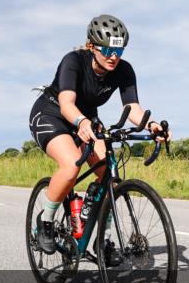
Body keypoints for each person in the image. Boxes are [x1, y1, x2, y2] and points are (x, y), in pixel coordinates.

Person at [28, 14, 170, 250]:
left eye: (119, 51)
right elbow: (66, 103)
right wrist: (82, 122)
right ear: (92, 46)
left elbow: (132, 108)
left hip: (87, 119)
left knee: (110, 175)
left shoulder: (124, 70)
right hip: (52, 113)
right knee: (72, 164)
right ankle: (45, 222)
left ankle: (102, 240)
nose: (114, 57)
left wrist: (151, 125)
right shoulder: (73, 61)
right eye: (107, 51)